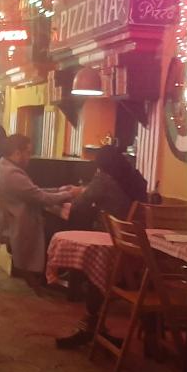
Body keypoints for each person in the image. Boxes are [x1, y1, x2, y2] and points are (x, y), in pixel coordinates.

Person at [55, 146, 148, 349]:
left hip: (110, 244)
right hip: (134, 248)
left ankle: (90, 321)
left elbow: (80, 204)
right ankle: (94, 322)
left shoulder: (104, 178)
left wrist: (78, 192)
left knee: (90, 257)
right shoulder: (135, 178)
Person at [0, 134, 81, 290]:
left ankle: (49, 274)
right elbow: (42, 198)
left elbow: (33, 192)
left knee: (56, 223)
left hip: (12, 218)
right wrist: (70, 194)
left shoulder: (2, 166)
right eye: (28, 152)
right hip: (21, 222)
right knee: (60, 231)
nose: (30, 157)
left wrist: (59, 190)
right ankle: (50, 276)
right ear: (17, 153)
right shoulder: (13, 174)